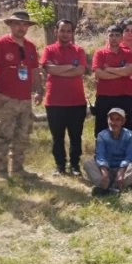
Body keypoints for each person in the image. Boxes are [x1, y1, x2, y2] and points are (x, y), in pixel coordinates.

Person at [0, 11, 42, 179]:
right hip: (6, 99)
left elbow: (35, 71)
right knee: (3, 136)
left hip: (25, 99)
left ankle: (18, 170)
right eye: (18, 24)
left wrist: (38, 91)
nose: (21, 27)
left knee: (22, 136)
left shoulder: (30, 46)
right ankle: (1, 172)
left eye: (25, 24)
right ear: (10, 25)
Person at [41, 19, 87, 176]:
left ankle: (75, 166)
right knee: (57, 137)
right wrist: (69, 67)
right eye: (62, 30)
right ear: (56, 31)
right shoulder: (49, 50)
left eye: (69, 31)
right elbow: (49, 69)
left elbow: (80, 70)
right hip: (54, 102)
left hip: (76, 101)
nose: (65, 34)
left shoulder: (79, 50)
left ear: (72, 33)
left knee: (76, 136)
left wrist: (58, 69)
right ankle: (60, 165)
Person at [83, 108, 132, 195]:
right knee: (88, 163)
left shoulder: (130, 135)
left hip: (124, 170)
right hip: (107, 169)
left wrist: (121, 171)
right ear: (107, 120)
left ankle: (113, 186)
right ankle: (105, 185)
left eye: (117, 120)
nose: (114, 123)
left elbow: (130, 156)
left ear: (123, 122)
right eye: (111, 119)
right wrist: (104, 172)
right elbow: (100, 155)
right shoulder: (102, 135)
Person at [92, 25, 132, 139]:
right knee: (102, 128)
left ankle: (125, 150)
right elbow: (99, 74)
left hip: (124, 96)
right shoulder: (100, 53)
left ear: (121, 38)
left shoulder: (128, 53)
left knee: (126, 129)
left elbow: (128, 71)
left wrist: (109, 69)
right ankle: (101, 150)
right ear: (107, 37)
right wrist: (120, 73)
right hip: (104, 96)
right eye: (111, 35)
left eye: (117, 35)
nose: (114, 38)